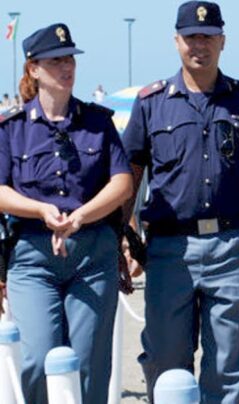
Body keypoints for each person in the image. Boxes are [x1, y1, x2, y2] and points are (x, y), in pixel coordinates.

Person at [120, 2, 239, 402]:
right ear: (176, 41)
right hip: (169, 250)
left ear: (223, 41)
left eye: (208, 37)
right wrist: (123, 237)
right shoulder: (151, 102)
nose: (199, 45)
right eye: (191, 37)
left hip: (232, 248)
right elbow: (128, 179)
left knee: (226, 370)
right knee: (165, 363)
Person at [0, 23, 133, 403]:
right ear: (34, 69)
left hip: (92, 255)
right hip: (32, 258)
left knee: (90, 362)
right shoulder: (11, 128)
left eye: (70, 59)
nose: (66, 67)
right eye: (56, 61)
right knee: (38, 359)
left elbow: (122, 183)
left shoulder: (99, 122)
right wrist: (40, 209)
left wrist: (80, 217)